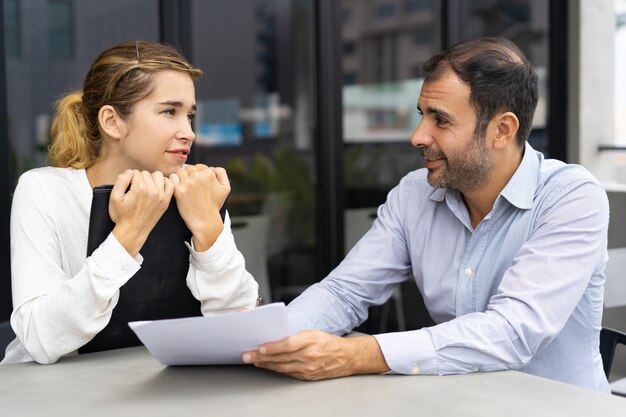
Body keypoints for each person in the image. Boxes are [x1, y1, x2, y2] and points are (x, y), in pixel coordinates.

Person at [242, 37, 611, 393]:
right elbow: (344, 293)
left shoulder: (571, 199)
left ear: (502, 130)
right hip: (454, 401)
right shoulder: (414, 194)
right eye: (422, 115)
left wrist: (360, 354)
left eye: (441, 120)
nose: (418, 136)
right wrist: (268, 345)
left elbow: (513, 332)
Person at [2, 41, 259, 364]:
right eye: (169, 111)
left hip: (161, 391)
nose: (189, 132)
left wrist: (209, 228)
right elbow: (41, 338)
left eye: (189, 115)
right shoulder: (44, 190)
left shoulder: (194, 190)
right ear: (112, 122)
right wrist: (128, 234)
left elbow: (242, 326)